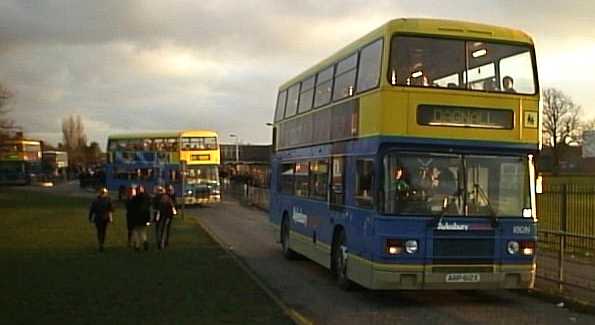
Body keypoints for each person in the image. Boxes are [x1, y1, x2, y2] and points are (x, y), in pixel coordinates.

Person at [88, 187, 114, 252]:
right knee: (103, 231)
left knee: (99, 231)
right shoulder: (108, 200)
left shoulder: (95, 200)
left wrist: (90, 217)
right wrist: (111, 218)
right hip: (105, 218)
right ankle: (102, 243)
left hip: (98, 218)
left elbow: (92, 210)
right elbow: (111, 210)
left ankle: (100, 243)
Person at [131, 185, 151, 251]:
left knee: (136, 231)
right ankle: (145, 241)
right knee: (143, 230)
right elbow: (148, 207)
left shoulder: (135, 198)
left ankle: (137, 245)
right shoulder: (147, 198)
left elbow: (131, 206)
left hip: (136, 217)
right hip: (144, 216)